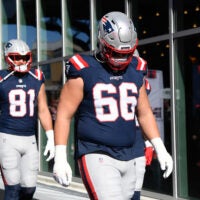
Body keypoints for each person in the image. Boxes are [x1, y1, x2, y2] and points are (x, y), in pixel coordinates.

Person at [53, 11, 173, 200]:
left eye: (126, 53)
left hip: (129, 154)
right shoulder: (84, 68)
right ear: (102, 42)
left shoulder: (137, 68)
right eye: (115, 53)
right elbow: (64, 114)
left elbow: (144, 112)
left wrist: (159, 146)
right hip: (97, 152)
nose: (121, 59)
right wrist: (60, 156)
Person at [0, 39, 55, 200]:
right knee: (12, 188)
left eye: (24, 57)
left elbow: (43, 109)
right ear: (8, 58)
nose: (21, 61)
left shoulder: (37, 77)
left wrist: (50, 136)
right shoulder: (2, 78)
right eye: (17, 57)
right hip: (7, 138)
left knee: (29, 188)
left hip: (30, 139)